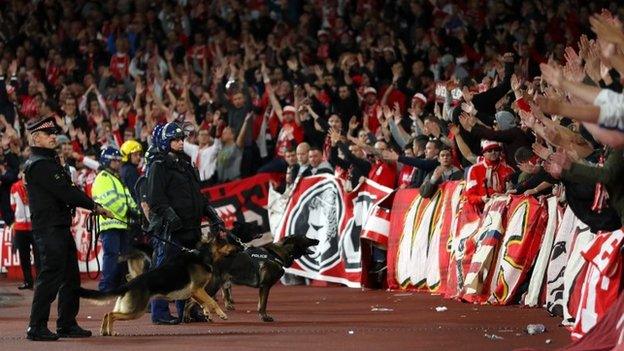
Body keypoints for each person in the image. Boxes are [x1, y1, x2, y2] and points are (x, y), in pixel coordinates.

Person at [24, 117, 112, 341]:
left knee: (71, 277)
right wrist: (94, 206)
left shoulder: (49, 161)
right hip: (49, 228)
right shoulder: (40, 164)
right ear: (36, 138)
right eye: (48, 133)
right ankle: (36, 326)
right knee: (50, 276)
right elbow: (66, 192)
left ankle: (66, 323)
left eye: (54, 132)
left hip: (59, 226)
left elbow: (67, 190)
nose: (54, 136)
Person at [147, 122, 226, 324]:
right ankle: (159, 313)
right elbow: (156, 200)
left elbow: (198, 196)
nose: (180, 142)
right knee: (164, 271)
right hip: (171, 230)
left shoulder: (187, 163)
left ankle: (188, 311)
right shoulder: (158, 165)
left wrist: (212, 215)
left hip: (191, 228)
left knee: (192, 273)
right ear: (165, 142)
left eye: (181, 139)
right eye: (175, 139)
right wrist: (171, 217)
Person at [91, 147, 139, 292]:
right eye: (114, 160)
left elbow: (127, 197)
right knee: (111, 256)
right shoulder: (103, 177)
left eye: (119, 160)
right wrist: (127, 211)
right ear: (106, 161)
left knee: (123, 257)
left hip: (122, 224)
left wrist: (136, 212)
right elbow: (110, 200)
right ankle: (105, 288)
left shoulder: (117, 178)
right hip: (110, 224)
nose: (118, 163)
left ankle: (119, 286)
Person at [10, 167, 39, 290]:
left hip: (34, 226)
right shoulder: (14, 187)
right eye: (24, 173)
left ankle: (40, 281)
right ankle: (28, 281)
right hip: (21, 227)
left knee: (39, 256)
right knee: (24, 256)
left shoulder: (35, 186)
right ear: (20, 173)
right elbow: (13, 205)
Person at [464, 140, 515, 211]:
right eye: (490, 150)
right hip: (481, 210)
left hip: (504, 209)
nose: (493, 152)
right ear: (484, 153)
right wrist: (482, 198)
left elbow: (514, 193)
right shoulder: (474, 169)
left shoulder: (508, 169)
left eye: (496, 150)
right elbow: (469, 196)